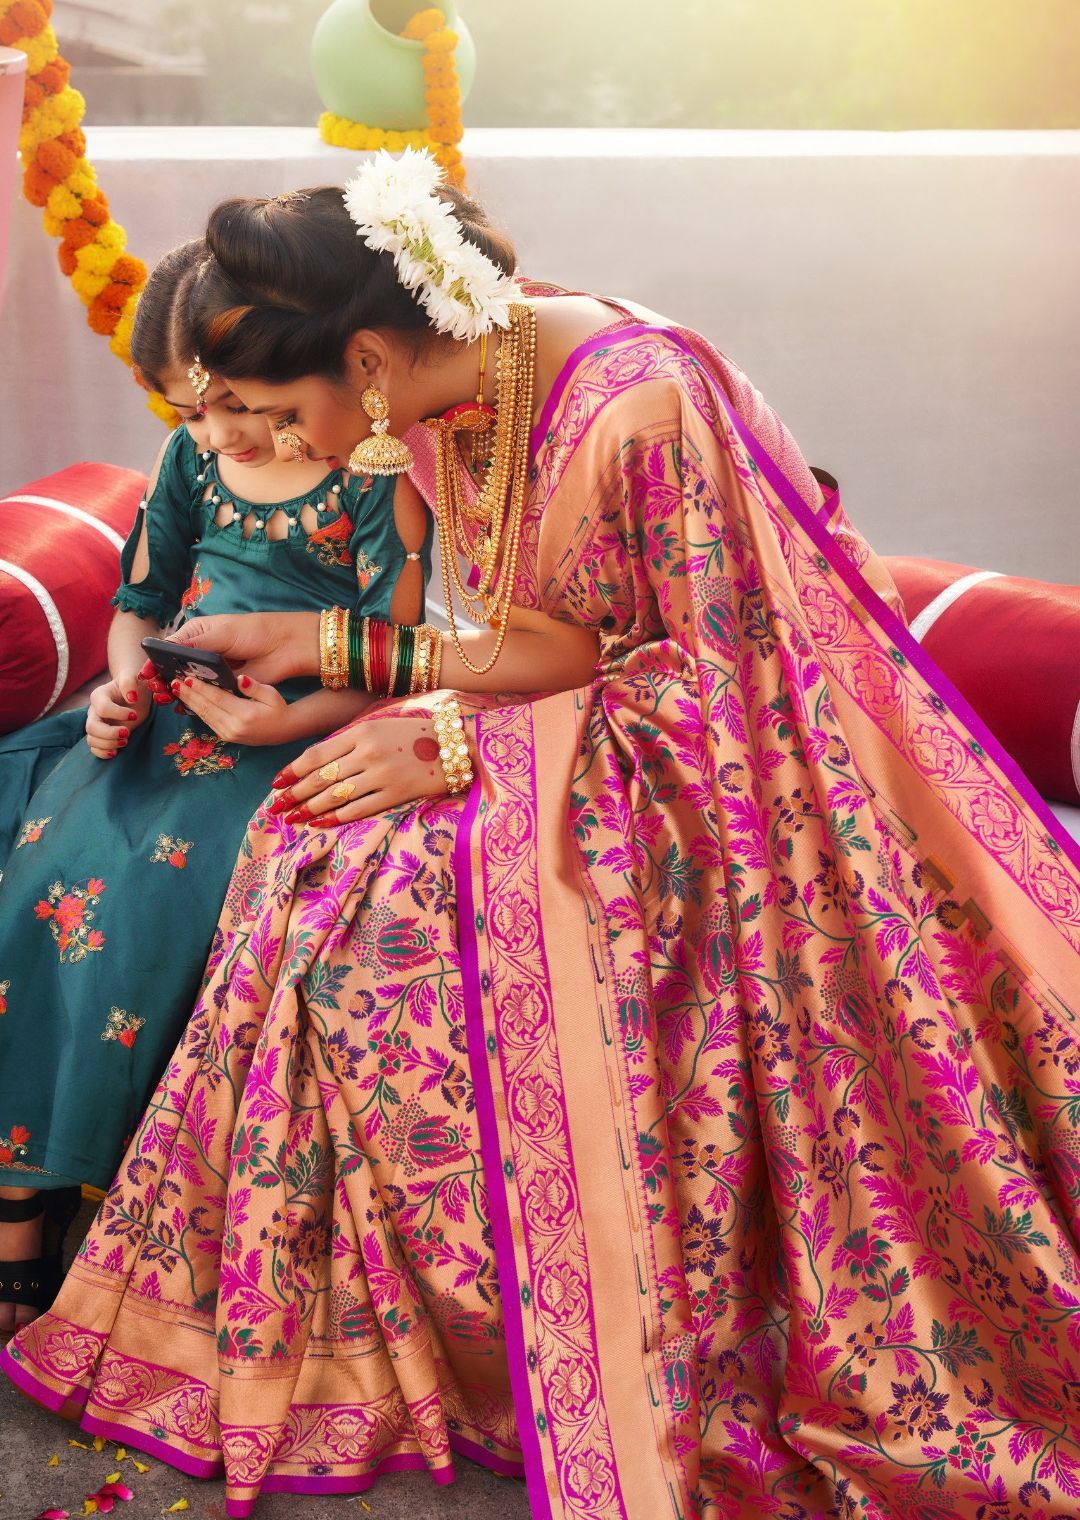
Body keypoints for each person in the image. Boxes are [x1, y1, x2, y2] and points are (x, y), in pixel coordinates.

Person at [3, 150, 1079, 1520]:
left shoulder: (640, 403)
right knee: (310, 842)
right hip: (592, 721)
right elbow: (558, 631)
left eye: (283, 408)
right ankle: (365, 1318)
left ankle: (526, 1323)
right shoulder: (452, 399)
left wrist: (448, 738)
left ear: (374, 361)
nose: (288, 447)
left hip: (751, 791)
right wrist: (332, 642)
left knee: (380, 902)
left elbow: (728, 683)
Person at [0, 235, 433, 1340]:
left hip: (291, 725)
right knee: (39, 844)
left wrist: (292, 718)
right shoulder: (189, 465)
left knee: (141, 890)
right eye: (191, 410)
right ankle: (23, 1180)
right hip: (169, 708)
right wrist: (121, 682)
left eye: (230, 403)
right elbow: (141, 596)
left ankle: (59, 1194)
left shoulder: (372, 468)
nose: (217, 432)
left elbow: (396, 643)